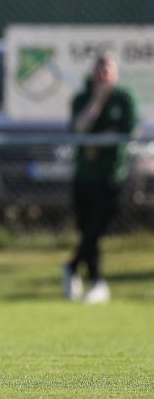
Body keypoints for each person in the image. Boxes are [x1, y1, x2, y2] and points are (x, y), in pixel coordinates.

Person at [63, 51, 137, 303]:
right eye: (99, 70)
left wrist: (100, 139)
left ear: (115, 74)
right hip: (85, 175)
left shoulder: (124, 99)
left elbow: (126, 131)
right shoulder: (82, 98)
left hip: (112, 175)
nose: (103, 75)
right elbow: (79, 130)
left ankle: (75, 270)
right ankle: (94, 281)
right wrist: (96, 102)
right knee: (87, 229)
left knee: (97, 228)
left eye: (108, 71)